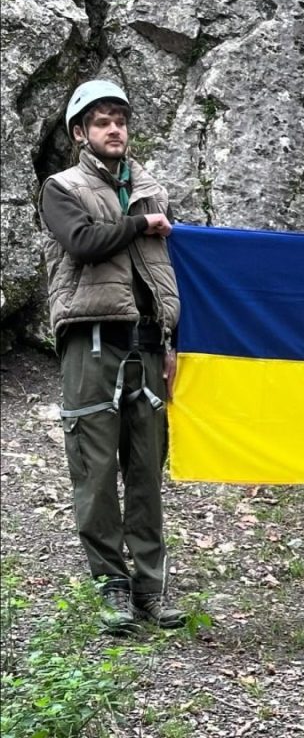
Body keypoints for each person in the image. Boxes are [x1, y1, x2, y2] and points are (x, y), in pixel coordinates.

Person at [38, 79, 185, 634]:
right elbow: (82, 241)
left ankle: (150, 590)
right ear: (81, 133)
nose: (114, 128)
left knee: (146, 472)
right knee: (97, 474)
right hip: (91, 342)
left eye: (120, 119)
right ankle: (112, 591)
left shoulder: (152, 190)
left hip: (147, 347)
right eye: (101, 121)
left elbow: (167, 273)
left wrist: (171, 342)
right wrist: (140, 223)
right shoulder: (62, 187)